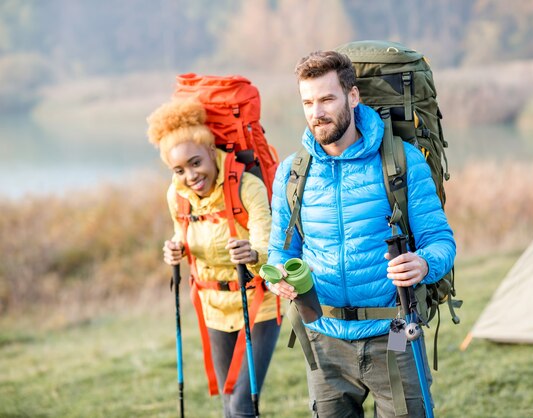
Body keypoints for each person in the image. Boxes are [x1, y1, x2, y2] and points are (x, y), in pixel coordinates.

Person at [266, 51, 456, 417]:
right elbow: (280, 250)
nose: (316, 112)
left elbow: (441, 241)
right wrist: (277, 277)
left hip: (395, 333)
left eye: (326, 99)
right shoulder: (292, 172)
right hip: (324, 338)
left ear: (353, 97)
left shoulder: (401, 161)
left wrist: (423, 264)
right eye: (307, 102)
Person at [147, 98, 280, 418]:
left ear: (210, 151)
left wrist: (252, 253)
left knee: (242, 404)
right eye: (178, 170)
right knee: (227, 402)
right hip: (213, 307)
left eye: (195, 163)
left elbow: (267, 245)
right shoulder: (176, 195)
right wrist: (174, 250)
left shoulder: (247, 186)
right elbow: (183, 235)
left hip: (257, 303)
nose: (190, 175)